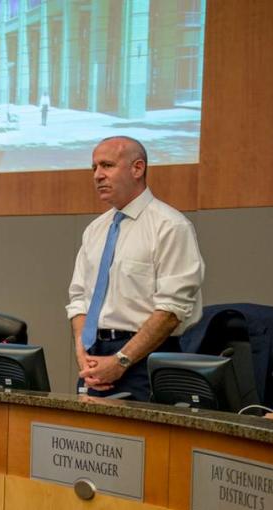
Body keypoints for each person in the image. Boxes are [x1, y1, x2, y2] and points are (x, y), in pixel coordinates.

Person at [67, 136, 204, 402]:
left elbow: (171, 310)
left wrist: (121, 361)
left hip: (145, 360)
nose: (97, 175)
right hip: (94, 357)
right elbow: (79, 299)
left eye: (106, 165)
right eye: (94, 168)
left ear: (137, 168)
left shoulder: (170, 226)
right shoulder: (95, 230)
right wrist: (81, 350)